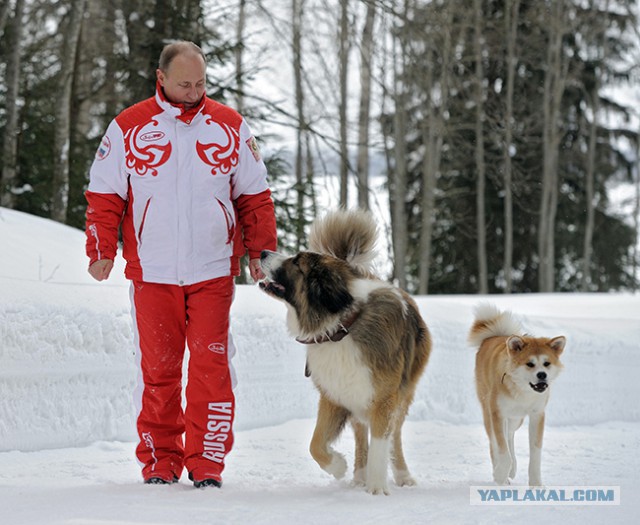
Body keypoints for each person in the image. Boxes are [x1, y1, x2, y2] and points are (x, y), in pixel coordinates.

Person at [84, 41, 277, 488]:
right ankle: (160, 460)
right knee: (159, 371)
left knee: (211, 368)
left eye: (201, 83)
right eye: (185, 83)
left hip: (212, 270)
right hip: (152, 272)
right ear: (162, 79)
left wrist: (260, 252)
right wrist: (101, 249)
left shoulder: (229, 126)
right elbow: (105, 194)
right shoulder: (129, 127)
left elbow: (254, 196)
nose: (194, 92)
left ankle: (207, 462)